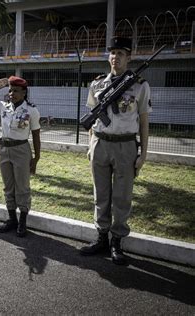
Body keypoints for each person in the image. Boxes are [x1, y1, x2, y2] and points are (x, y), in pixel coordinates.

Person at [79, 36, 151, 265]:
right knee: (101, 194)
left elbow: (143, 122)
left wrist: (144, 154)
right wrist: (91, 145)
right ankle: (101, 237)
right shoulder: (97, 84)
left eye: (120, 53)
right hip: (100, 143)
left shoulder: (140, 85)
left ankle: (116, 241)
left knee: (122, 196)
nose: (115, 57)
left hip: (125, 145)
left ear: (128, 58)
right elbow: (92, 117)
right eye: (112, 53)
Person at [0, 76, 41, 237]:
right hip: (4, 149)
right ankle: (12, 218)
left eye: (15, 91)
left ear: (24, 92)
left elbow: (36, 135)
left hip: (21, 150)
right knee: (8, 186)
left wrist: (36, 158)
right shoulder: (3, 106)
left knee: (22, 186)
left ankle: (22, 221)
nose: (12, 93)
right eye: (10, 90)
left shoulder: (31, 110)